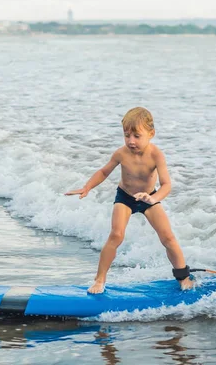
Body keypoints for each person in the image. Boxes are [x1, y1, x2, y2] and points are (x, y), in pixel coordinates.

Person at [65, 107, 194, 294]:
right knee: (116, 235)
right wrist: (87, 187)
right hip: (125, 196)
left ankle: (183, 277)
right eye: (127, 135)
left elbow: (166, 185)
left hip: (149, 197)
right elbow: (104, 171)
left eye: (137, 136)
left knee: (168, 237)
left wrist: (153, 198)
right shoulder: (121, 153)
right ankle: (99, 280)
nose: (131, 141)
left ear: (151, 134)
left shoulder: (156, 155)